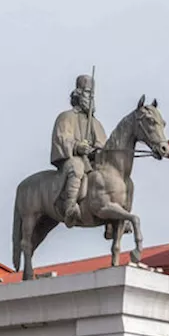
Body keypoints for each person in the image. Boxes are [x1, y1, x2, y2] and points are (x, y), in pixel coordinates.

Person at [51, 74, 108, 227]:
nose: (91, 98)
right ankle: (70, 207)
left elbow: (102, 144)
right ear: (78, 93)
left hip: (91, 161)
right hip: (72, 159)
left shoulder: (95, 123)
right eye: (88, 93)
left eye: (92, 95)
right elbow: (62, 137)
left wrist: (97, 150)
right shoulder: (66, 117)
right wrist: (77, 146)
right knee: (76, 167)